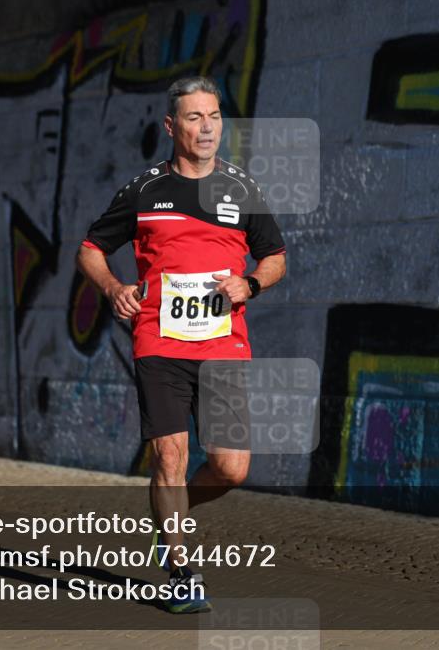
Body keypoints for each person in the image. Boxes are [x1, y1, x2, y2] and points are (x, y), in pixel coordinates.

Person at [76, 75, 286, 613]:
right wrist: (115, 288)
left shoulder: (242, 190)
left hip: (223, 345)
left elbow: (275, 258)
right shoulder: (145, 191)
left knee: (232, 467)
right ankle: (180, 570)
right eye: (194, 117)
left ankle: (171, 512)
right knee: (171, 456)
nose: (207, 126)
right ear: (172, 126)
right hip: (159, 341)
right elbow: (90, 248)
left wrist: (251, 283)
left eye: (213, 116)